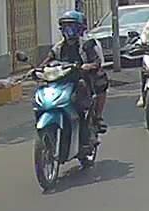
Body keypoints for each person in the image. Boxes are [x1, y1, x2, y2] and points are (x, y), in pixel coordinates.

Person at [44, 10, 106, 148]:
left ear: (80, 29)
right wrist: (37, 70)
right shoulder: (58, 47)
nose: (69, 30)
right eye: (66, 27)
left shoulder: (87, 44)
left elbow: (96, 61)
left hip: (81, 80)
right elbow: (47, 61)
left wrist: (87, 66)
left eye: (72, 26)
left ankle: (93, 124)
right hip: (62, 81)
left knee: (95, 84)